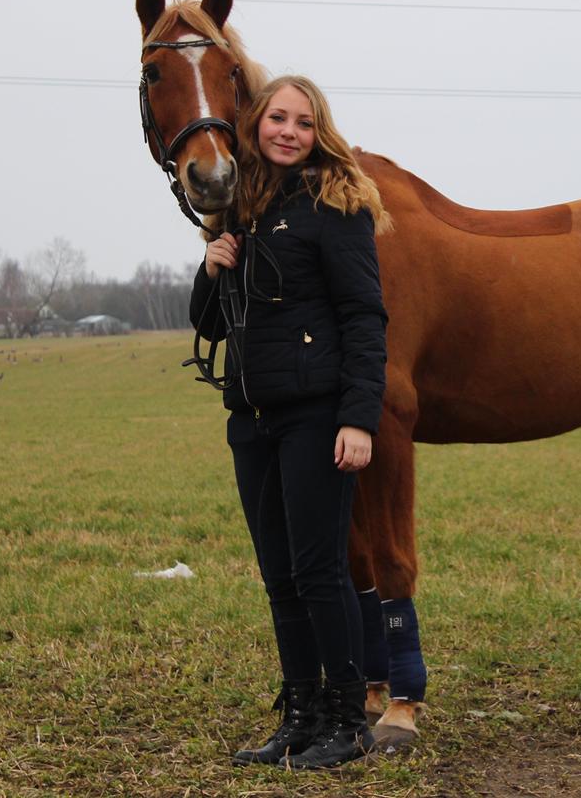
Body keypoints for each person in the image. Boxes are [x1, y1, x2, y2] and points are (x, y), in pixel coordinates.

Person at [188, 74, 389, 770]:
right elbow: (210, 325)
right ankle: (300, 716)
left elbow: (365, 317)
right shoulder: (239, 207)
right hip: (251, 417)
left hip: (316, 415)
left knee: (319, 569)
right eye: (278, 118)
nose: (289, 132)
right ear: (257, 125)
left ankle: (348, 717)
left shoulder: (337, 204)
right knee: (278, 576)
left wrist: (358, 417)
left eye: (304, 123)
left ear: (319, 132)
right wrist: (211, 268)